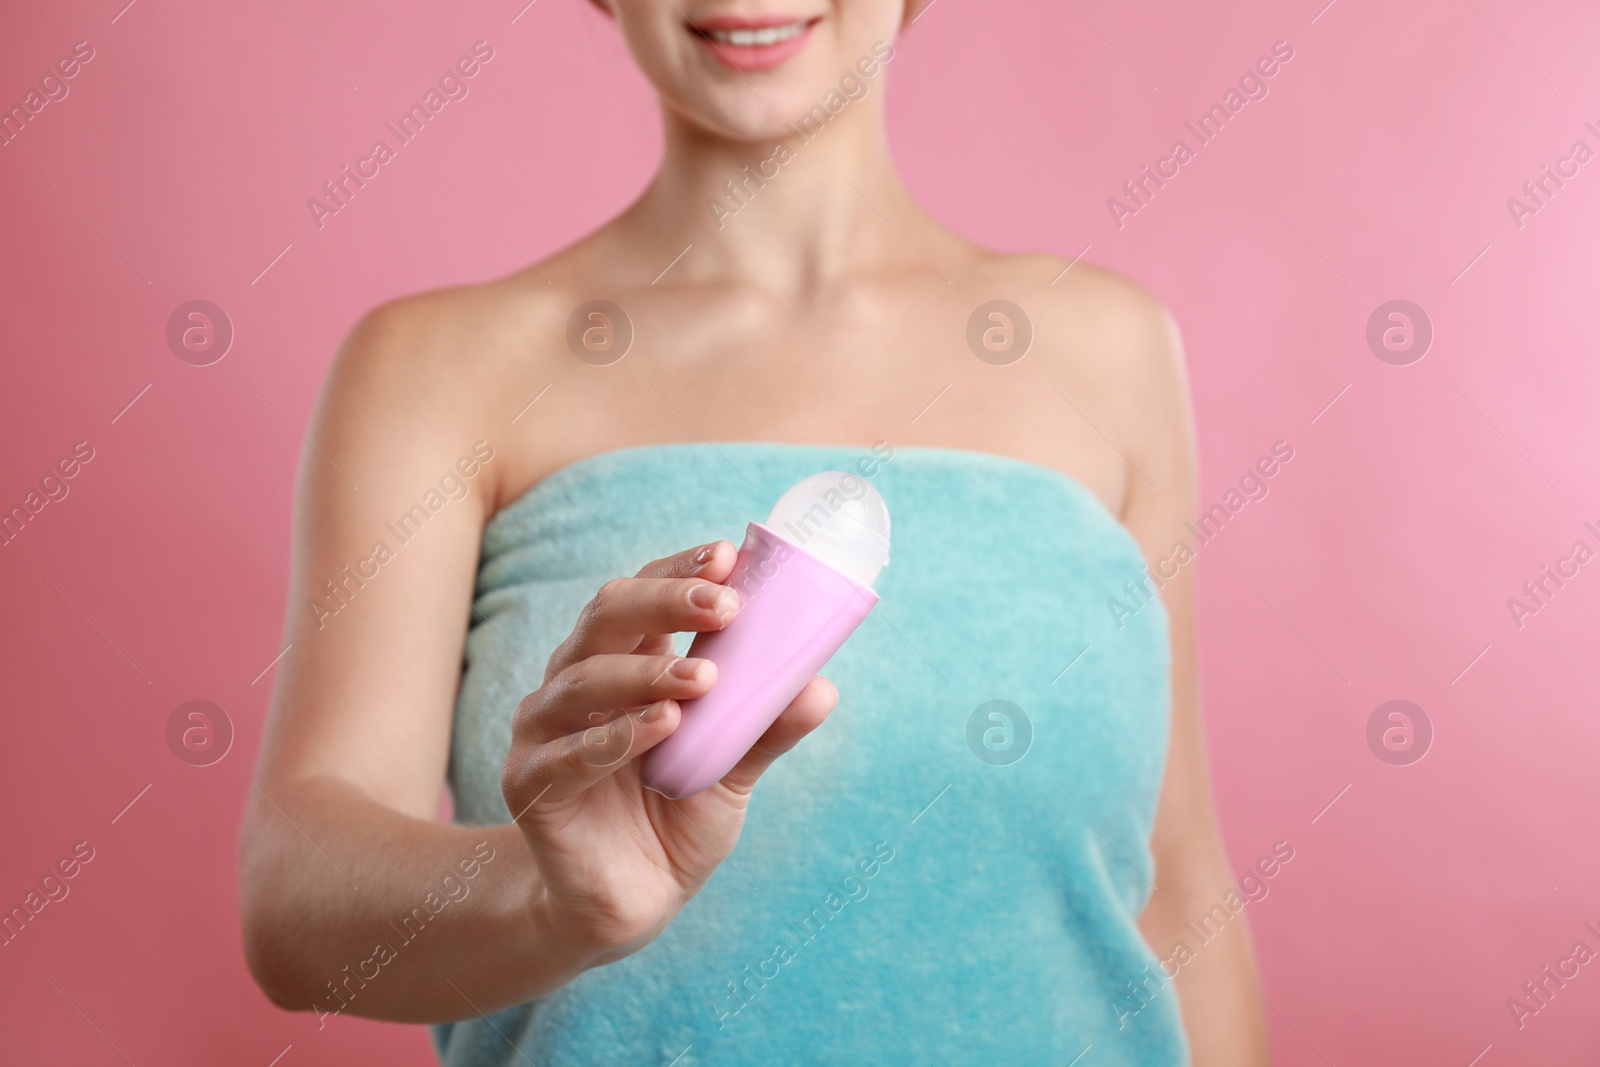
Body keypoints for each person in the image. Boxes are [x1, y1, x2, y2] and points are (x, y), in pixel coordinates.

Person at [239, 1, 1271, 1063]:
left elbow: (1176, 881)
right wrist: (553, 902)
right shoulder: (437, 368)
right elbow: (293, 905)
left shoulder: (1108, 352)